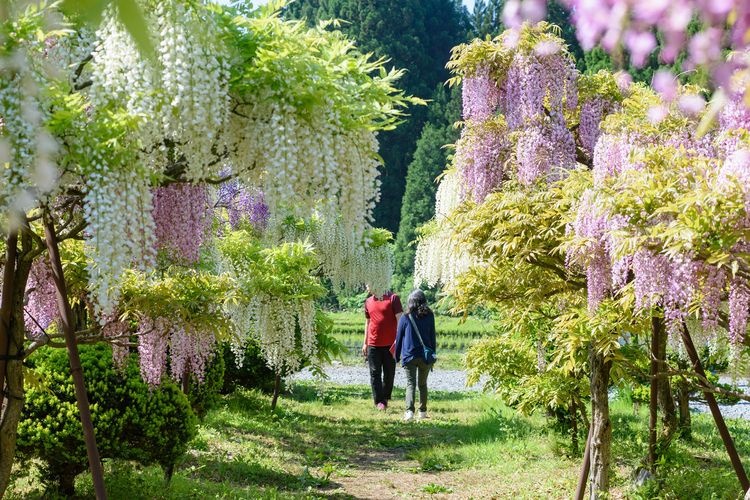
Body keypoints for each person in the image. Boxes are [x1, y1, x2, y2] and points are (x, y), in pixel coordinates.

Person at [394, 289, 436, 422]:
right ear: (423, 301)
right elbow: (432, 336)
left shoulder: (405, 317)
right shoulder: (430, 316)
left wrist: (396, 356)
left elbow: (399, 338)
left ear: (410, 302)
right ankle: (422, 412)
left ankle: (409, 412)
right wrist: (433, 355)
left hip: (409, 356)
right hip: (425, 356)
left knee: (410, 384)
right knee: (423, 384)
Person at [362, 284, 403, 411]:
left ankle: (385, 397)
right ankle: (379, 401)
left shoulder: (393, 298)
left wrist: (399, 342)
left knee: (389, 373)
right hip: (373, 343)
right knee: (374, 373)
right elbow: (368, 323)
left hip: (390, 344)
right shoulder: (368, 301)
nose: (367, 286)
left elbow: (400, 321)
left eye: (369, 284)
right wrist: (365, 343)